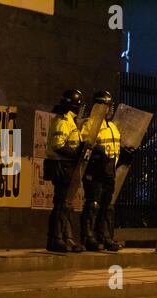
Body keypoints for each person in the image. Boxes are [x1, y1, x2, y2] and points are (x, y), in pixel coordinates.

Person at [80, 91, 135, 251]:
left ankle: (104, 235)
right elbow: (85, 147)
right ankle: (88, 236)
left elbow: (115, 148)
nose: (109, 110)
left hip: (109, 171)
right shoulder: (90, 124)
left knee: (107, 205)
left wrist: (125, 155)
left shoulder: (112, 127)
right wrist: (97, 152)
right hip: (95, 171)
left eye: (110, 106)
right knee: (93, 204)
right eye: (106, 106)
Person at [44, 89, 86, 253]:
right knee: (62, 205)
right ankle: (55, 239)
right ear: (74, 106)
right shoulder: (63, 121)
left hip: (68, 166)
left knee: (66, 205)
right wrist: (76, 153)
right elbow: (58, 144)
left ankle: (67, 238)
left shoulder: (70, 121)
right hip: (63, 166)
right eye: (79, 105)